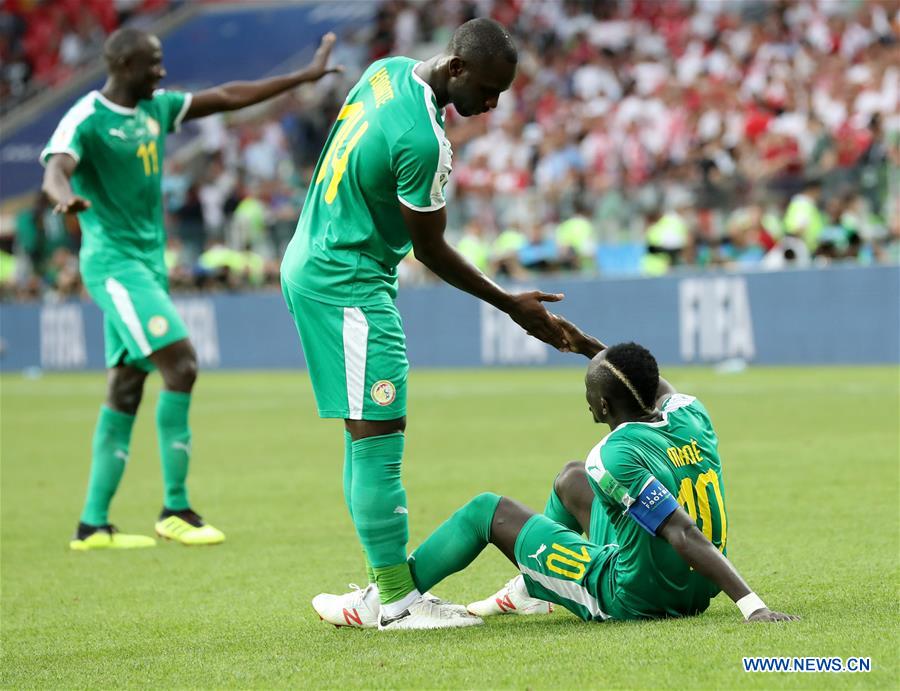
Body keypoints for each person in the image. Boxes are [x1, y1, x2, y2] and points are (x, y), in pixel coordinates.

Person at [280, 18, 576, 631]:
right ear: (457, 68)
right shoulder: (425, 142)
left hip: (320, 257)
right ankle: (395, 603)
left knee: (365, 434)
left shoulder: (385, 71)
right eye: (488, 91)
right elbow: (431, 251)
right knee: (380, 436)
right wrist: (512, 305)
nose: (492, 106)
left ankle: (385, 594)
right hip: (349, 282)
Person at [41, 28, 342, 550]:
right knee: (181, 363)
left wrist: (303, 76)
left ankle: (92, 525)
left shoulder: (153, 110)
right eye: (152, 64)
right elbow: (55, 168)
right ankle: (175, 508)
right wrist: (62, 197)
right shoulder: (87, 117)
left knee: (128, 383)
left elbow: (227, 96)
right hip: (113, 264)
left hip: (147, 267)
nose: (161, 73)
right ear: (123, 65)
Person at [358, 331, 798, 626]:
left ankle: (394, 605)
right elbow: (645, 379)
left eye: (589, 389)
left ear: (604, 406)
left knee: (486, 511)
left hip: (635, 597)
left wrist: (752, 607)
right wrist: (588, 346)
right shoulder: (689, 411)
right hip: (696, 586)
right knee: (570, 480)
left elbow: (681, 532)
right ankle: (534, 590)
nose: (585, 398)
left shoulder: (612, 455)